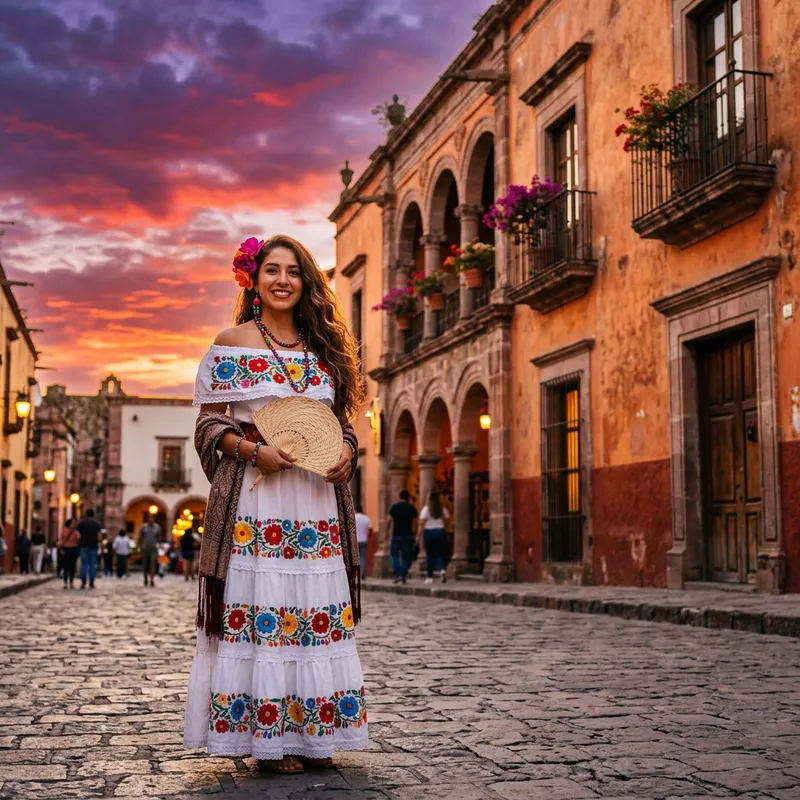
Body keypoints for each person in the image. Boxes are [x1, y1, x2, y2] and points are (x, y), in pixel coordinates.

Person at [184, 234, 368, 774]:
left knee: (314, 615)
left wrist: (349, 452)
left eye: (294, 271)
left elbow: (343, 422)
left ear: (307, 282)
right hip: (258, 505)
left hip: (315, 503)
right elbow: (208, 423)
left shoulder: (325, 347)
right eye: (273, 270)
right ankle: (272, 738)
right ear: (254, 279)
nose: (283, 279)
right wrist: (253, 450)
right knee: (265, 612)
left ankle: (314, 731)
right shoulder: (232, 341)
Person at [386, 490, 417, 584]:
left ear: (399, 496)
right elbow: (415, 523)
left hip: (396, 535)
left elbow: (388, 520)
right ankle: (403, 576)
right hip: (407, 535)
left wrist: (387, 531)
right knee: (405, 557)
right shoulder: (411, 507)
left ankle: (398, 572)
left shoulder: (394, 506)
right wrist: (414, 533)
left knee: (393, 555)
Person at [420, 491, 450, 584]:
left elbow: (421, 522)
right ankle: (442, 570)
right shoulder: (442, 509)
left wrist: (419, 534)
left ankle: (429, 576)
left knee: (430, 554)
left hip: (429, 532)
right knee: (439, 554)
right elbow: (447, 520)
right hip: (440, 531)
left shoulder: (426, 509)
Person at [77, 510, 102, 589]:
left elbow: (77, 535)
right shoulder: (96, 524)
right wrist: (100, 544)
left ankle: (83, 581)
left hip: (83, 546)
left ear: (85, 514)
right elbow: (99, 536)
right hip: (93, 546)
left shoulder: (81, 523)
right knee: (92, 565)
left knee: (84, 564)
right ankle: (91, 582)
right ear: (93, 515)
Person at [137, 513, 161, 588]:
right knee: (145, 565)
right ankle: (145, 578)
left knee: (153, 564)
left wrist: (158, 545)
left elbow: (159, 537)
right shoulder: (143, 527)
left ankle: (152, 579)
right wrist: (139, 547)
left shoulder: (157, 527)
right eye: (150, 518)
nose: (151, 519)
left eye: (152, 518)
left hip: (153, 548)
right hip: (145, 548)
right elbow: (140, 537)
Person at [58, 519, 80, 589]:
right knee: (66, 567)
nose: (74, 524)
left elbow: (79, 539)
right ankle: (65, 583)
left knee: (72, 567)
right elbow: (61, 540)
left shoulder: (76, 531)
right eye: (73, 523)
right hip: (66, 549)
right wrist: (61, 549)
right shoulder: (65, 530)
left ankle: (71, 583)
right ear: (69, 523)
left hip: (73, 550)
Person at [354, 504, 372, 580]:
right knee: (362, 557)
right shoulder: (366, 518)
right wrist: (367, 536)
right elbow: (370, 530)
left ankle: (355, 574)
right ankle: (363, 573)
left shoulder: (353, 517)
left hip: (354, 541)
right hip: (363, 540)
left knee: (355, 559)